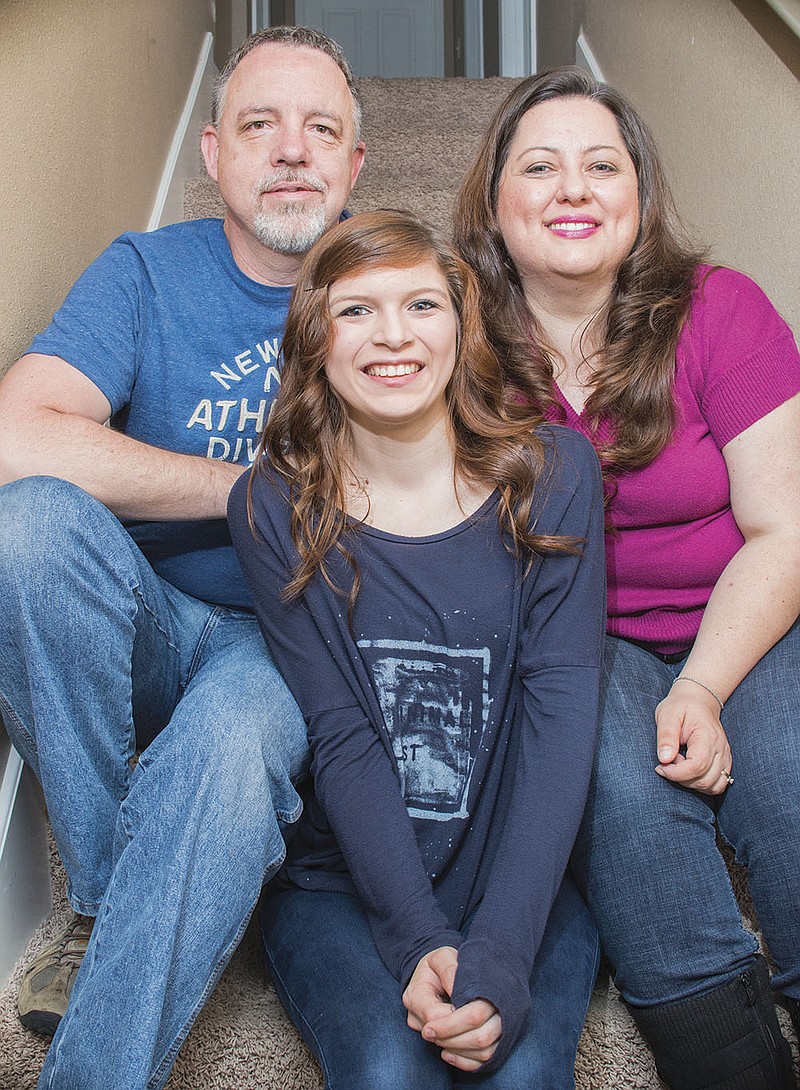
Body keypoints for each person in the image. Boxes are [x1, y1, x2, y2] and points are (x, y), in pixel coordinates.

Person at [0, 25, 364, 1090]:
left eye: (320, 129)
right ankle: (108, 894)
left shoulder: (402, 287)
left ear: (353, 164)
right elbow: (16, 434)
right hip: (150, 616)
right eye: (260, 125)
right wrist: (249, 494)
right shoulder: (145, 271)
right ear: (212, 152)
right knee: (25, 523)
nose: (291, 150)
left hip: (293, 641)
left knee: (230, 739)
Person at [453, 65, 800, 1090]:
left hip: (743, 607)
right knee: (617, 802)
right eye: (541, 166)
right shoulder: (448, 337)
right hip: (567, 640)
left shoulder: (720, 309)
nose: (573, 188)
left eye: (601, 165)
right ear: (493, 202)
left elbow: (781, 529)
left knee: (787, 790)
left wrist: (698, 685)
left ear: (636, 196)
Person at [228, 210, 606, 1089]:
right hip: (346, 890)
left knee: (514, 1072)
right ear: (314, 337)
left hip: (523, 885)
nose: (393, 336)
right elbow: (342, 734)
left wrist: (504, 947)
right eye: (356, 310)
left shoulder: (553, 475)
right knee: (390, 1074)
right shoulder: (272, 509)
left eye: (422, 305)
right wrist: (415, 937)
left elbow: (560, 725)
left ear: (463, 324)